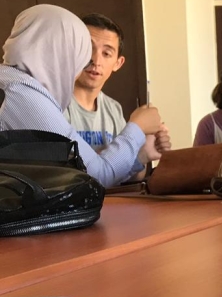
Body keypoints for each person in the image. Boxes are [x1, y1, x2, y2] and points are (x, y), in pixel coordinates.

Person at [0, 5, 162, 187]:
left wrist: (140, 154)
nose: (92, 61)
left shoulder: (11, 84)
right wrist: (138, 128)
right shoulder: (21, 95)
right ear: (59, 51)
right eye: (81, 53)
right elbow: (95, 177)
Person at [64, 13, 170, 180]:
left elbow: (128, 177)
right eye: (88, 48)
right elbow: (76, 176)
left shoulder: (113, 108)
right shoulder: (55, 103)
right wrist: (136, 128)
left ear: (118, 63)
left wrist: (143, 154)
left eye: (106, 53)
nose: (96, 60)